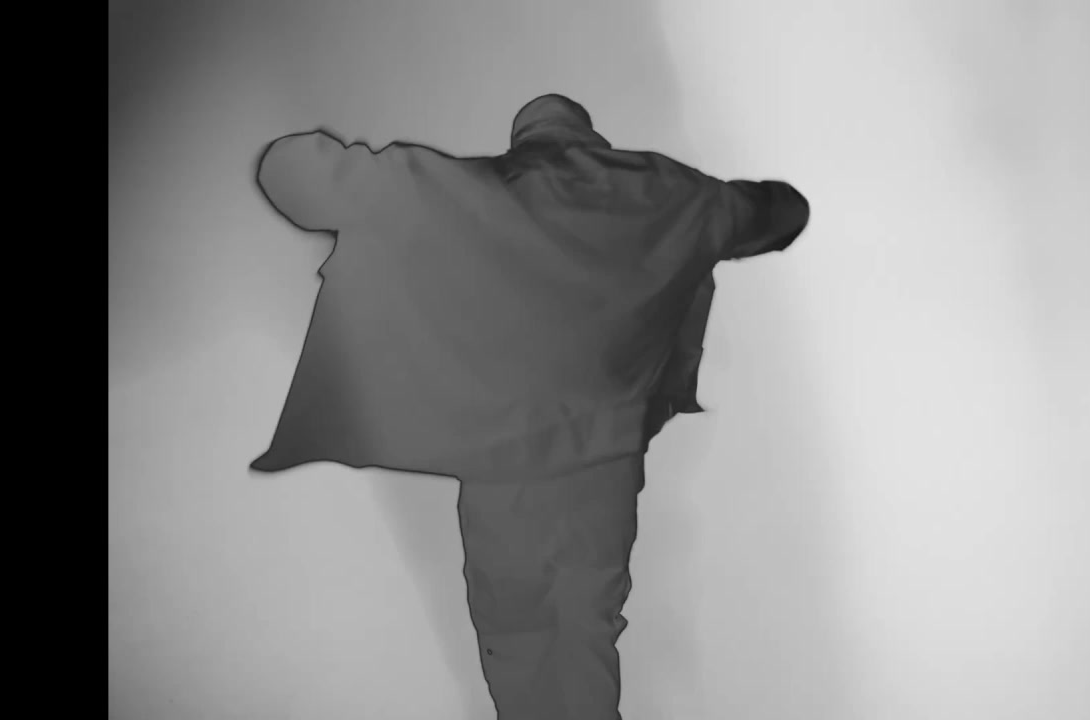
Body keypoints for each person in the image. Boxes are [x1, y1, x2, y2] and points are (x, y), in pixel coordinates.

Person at [249, 93, 809, 719]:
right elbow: (783, 212)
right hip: (604, 466)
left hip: (501, 463)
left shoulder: (468, 194)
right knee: (587, 630)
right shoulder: (669, 194)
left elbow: (289, 172)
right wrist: (701, 205)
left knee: (515, 633)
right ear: (589, 137)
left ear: (524, 141)